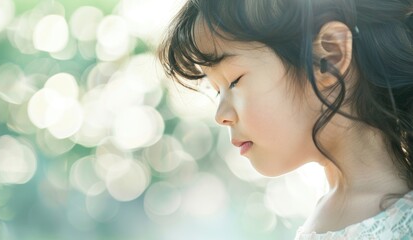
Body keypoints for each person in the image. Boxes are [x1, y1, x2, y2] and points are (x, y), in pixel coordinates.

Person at [158, 0, 413, 239]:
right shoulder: (324, 211)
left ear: (328, 57)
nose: (220, 116)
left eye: (234, 81)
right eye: (217, 90)